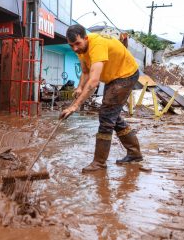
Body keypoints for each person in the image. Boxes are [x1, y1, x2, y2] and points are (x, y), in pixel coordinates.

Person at [60, 25, 142, 172]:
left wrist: (75, 106)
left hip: (126, 74)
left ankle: (99, 163)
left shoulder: (97, 45)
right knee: (112, 116)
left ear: (85, 38)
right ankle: (134, 153)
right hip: (113, 78)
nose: (75, 49)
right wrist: (79, 88)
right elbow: (85, 72)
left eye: (77, 44)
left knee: (106, 116)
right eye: (71, 45)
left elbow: (93, 82)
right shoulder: (81, 49)